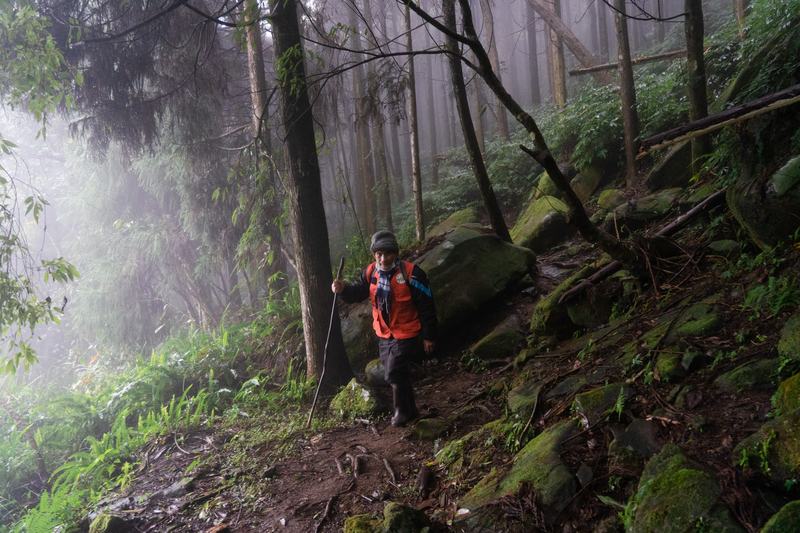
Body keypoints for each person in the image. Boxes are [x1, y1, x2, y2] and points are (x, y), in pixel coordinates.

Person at [332, 230, 437, 427]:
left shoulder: (412, 273)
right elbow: (357, 293)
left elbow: (427, 305)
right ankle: (411, 409)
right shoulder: (371, 272)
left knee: (393, 373)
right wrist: (343, 289)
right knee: (397, 371)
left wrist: (429, 336)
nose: (383, 258)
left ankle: (400, 413)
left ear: (395, 253)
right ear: (374, 255)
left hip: (406, 332)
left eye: (388, 253)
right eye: (379, 254)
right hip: (384, 333)